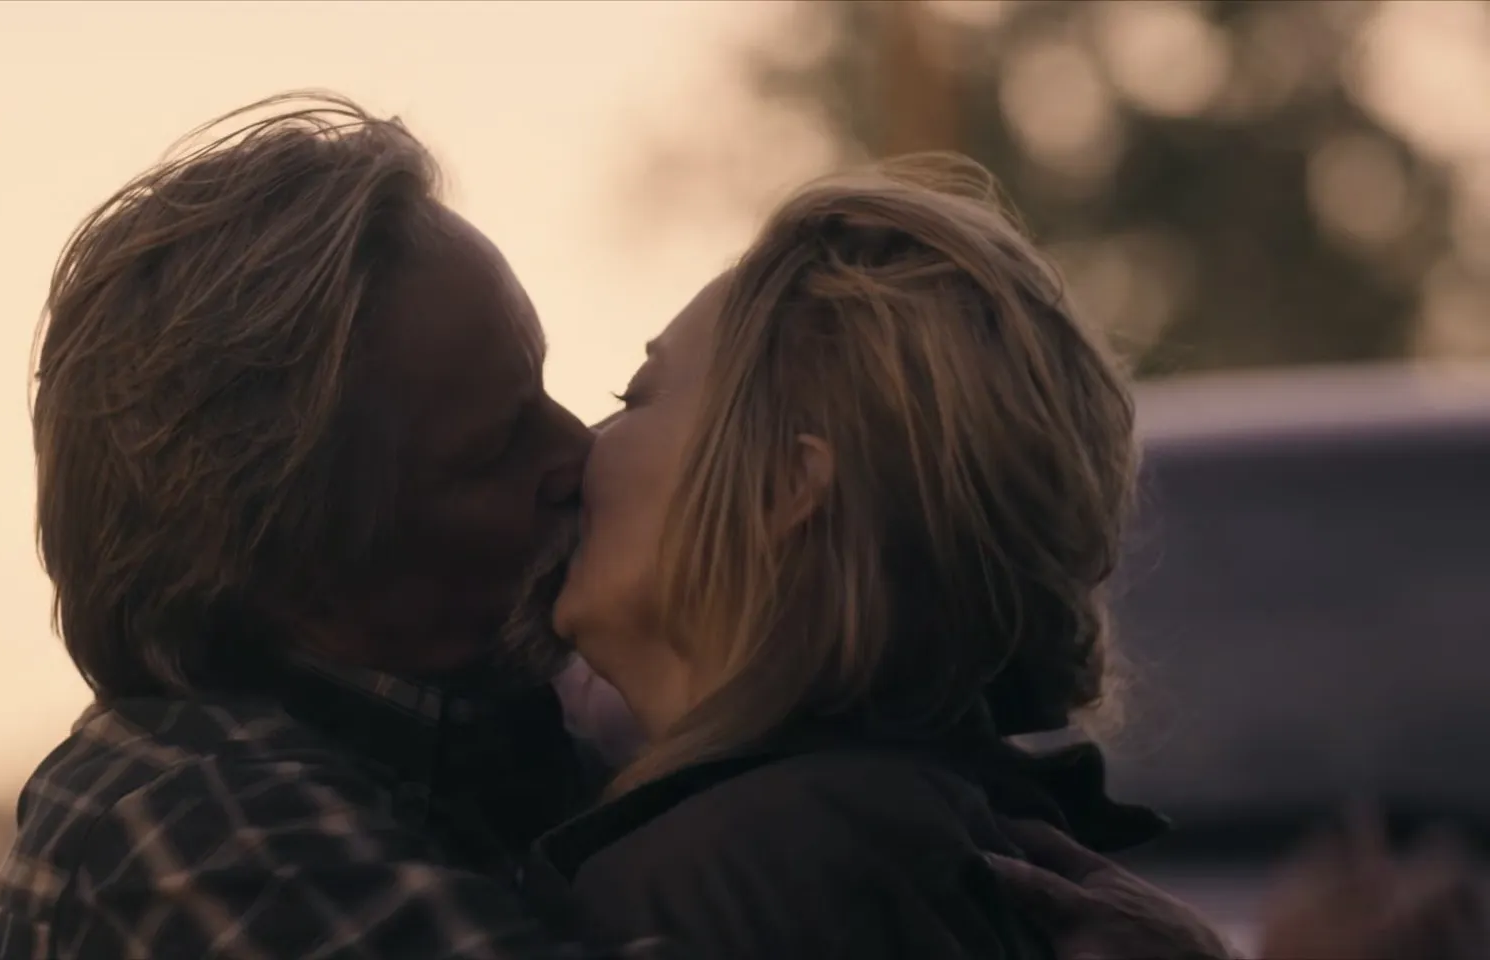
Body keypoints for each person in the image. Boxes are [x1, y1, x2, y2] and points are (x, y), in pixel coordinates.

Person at [0, 90, 1316, 960]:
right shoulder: (185, 832)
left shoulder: (672, 812)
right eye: (497, 446)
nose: (574, 454)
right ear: (299, 553)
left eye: (605, 394)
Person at [510, 161, 1490, 960]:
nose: (581, 447)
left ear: (785, 486)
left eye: (636, 396)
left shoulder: (730, 880)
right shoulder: (959, 838)